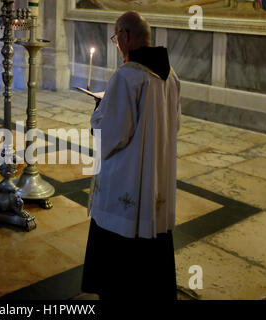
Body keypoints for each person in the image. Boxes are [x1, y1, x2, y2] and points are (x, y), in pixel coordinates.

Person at [81, 11, 181, 302]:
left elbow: (113, 134)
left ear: (125, 36)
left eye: (115, 38)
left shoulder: (127, 77)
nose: (117, 44)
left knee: (120, 267)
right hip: (156, 181)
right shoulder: (170, 75)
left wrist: (98, 113)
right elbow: (173, 126)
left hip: (126, 183)